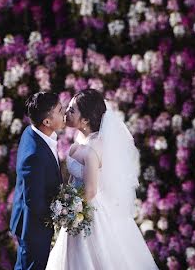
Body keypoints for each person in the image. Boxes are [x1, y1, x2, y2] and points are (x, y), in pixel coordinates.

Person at [45, 88, 158, 270]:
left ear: (86, 120)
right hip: (78, 208)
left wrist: (68, 209)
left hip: (86, 211)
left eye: (72, 110)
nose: (66, 112)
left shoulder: (92, 150)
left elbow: (90, 191)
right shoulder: (83, 141)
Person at [10, 91, 65, 269]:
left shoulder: (33, 131)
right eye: (60, 110)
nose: (64, 112)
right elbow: (33, 200)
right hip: (33, 226)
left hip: (35, 220)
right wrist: (59, 215)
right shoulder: (34, 155)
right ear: (47, 122)